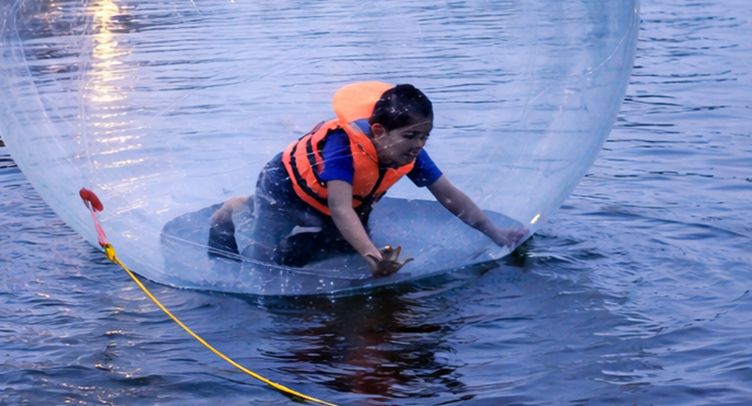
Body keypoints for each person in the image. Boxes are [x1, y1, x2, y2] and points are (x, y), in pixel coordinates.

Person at [209, 81, 527, 277]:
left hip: (338, 201)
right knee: (263, 264)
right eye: (411, 136)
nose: (419, 145)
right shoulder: (342, 147)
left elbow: (449, 195)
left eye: (425, 136)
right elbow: (340, 208)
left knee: (343, 250)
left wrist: (495, 233)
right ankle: (237, 209)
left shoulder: (409, 153)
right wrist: (374, 259)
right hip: (285, 192)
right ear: (378, 132)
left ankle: (296, 240)